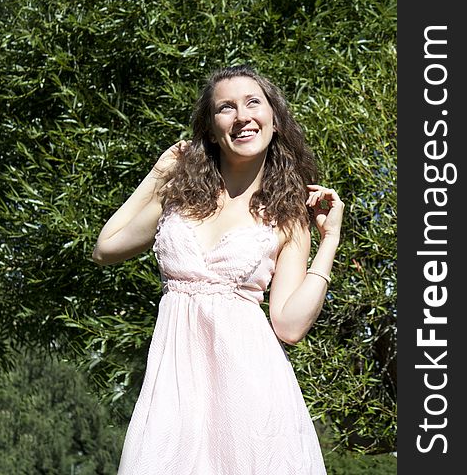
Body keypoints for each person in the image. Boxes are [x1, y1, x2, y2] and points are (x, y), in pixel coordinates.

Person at [92, 65, 344, 474]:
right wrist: (159, 172)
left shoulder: (288, 214)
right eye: (226, 107)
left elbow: (290, 325)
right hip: (174, 389)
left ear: (274, 120)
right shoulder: (179, 195)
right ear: (211, 129)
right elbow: (106, 247)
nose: (241, 116)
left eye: (253, 103)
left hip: (250, 391)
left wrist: (329, 240)